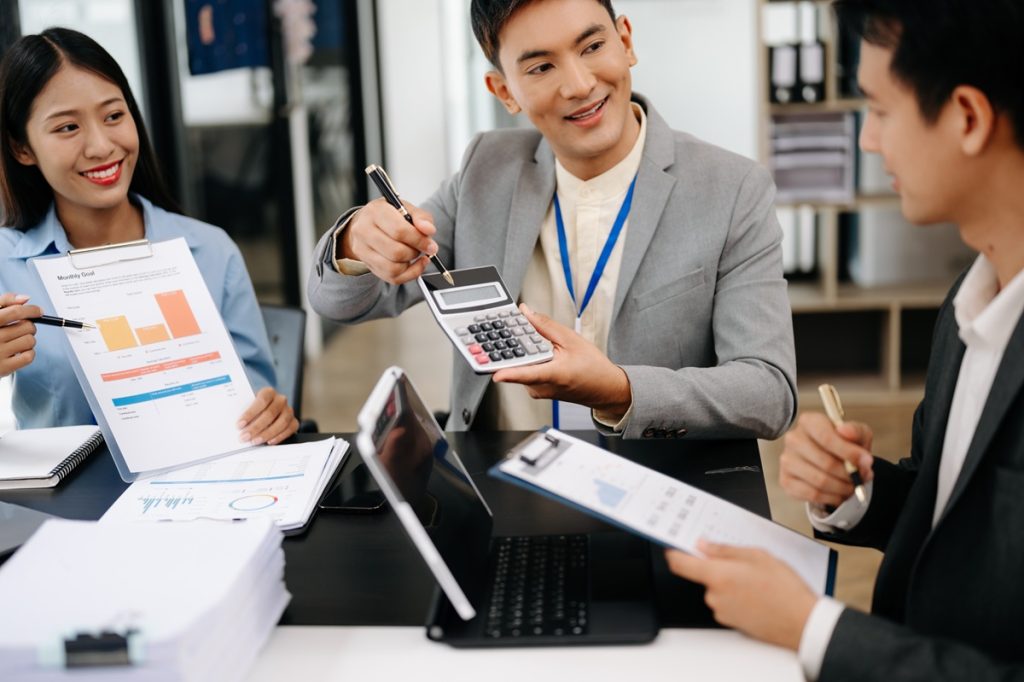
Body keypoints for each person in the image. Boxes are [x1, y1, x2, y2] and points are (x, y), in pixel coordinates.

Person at [666, 0, 1024, 679]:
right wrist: (854, 493)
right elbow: (948, 509)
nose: (865, 140)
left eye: (880, 111)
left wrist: (813, 628)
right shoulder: (972, 299)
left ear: (968, 118)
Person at [309, 0, 796, 439]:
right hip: (506, 479)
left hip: (660, 485)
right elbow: (342, 304)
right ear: (504, 90)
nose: (580, 85)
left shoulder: (732, 189)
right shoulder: (486, 170)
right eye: (541, 66)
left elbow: (769, 393)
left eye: (593, 46)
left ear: (625, 41)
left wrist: (620, 390)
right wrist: (354, 244)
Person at [0, 27, 298, 446]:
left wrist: (272, 415)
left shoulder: (210, 251)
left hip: (199, 491)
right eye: (68, 127)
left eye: (114, 116)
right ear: (22, 149)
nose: (102, 146)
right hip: (67, 505)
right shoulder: (5, 264)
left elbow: (257, 404)